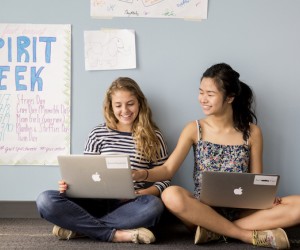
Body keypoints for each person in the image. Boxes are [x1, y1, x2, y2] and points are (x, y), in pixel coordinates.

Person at [132, 63, 300, 249]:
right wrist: (143, 174)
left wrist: (264, 197)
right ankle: (244, 235)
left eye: (210, 94)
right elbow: (167, 170)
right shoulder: (194, 129)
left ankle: (214, 232)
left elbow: (256, 181)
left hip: (241, 211)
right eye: (201, 92)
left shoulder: (252, 132)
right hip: (202, 211)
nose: (202, 99)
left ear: (229, 97)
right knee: (171, 194)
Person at [36, 77, 170, 244]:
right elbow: (86, 173)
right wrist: (69, 186)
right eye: (118, 105)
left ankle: (79, 228)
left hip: (130, 204)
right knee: (45, 200)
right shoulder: (98, 134)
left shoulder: (154, 137)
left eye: (130, 103)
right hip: (93, 202)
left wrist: (145, 192)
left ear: (140, 103)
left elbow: (164, 178)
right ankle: (117, 234)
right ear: (111, 106)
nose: (125, 110)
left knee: (154, 206)